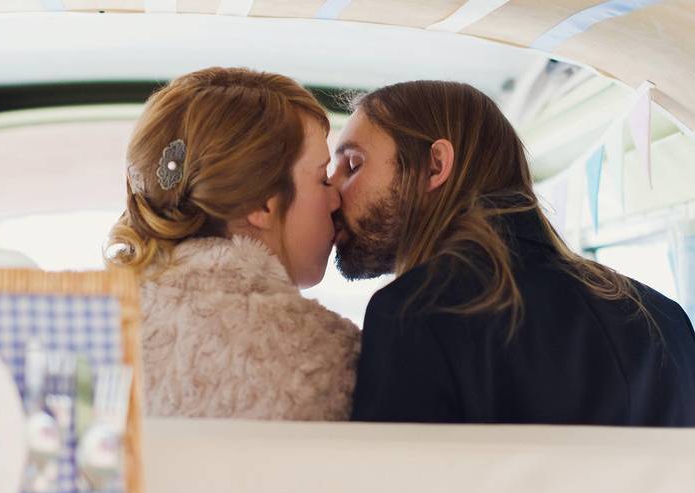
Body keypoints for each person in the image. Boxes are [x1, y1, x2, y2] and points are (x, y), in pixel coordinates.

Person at [330, 80, 695, 426]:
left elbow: (389, 490)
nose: (331, 192)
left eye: (352, 165)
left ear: (434, 166)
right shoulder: (666, 317)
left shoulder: (416, 310)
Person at [107, 67, 359, 420]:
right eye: (322, 179)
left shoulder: (100, 331)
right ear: (260, 204)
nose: (335, 201)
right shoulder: (330, 357)